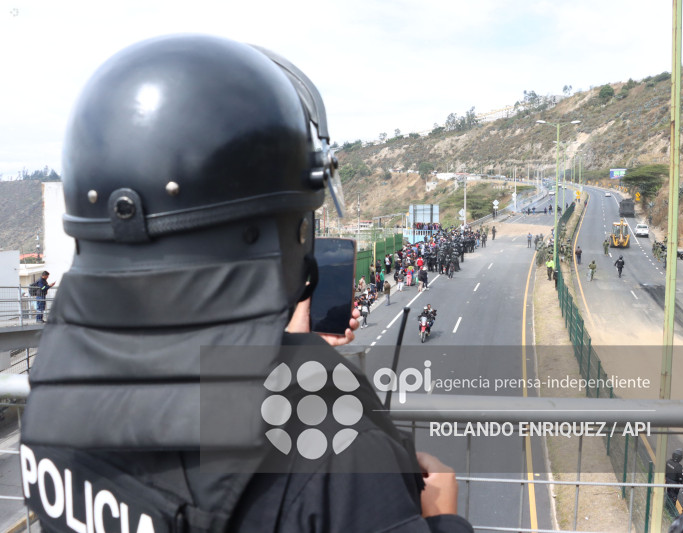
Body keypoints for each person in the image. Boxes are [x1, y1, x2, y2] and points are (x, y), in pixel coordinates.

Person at [20, 35, 471, 533]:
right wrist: (443, 520)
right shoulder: (335, 444)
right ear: (288, 227)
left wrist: (274, 347)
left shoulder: (58, 380)